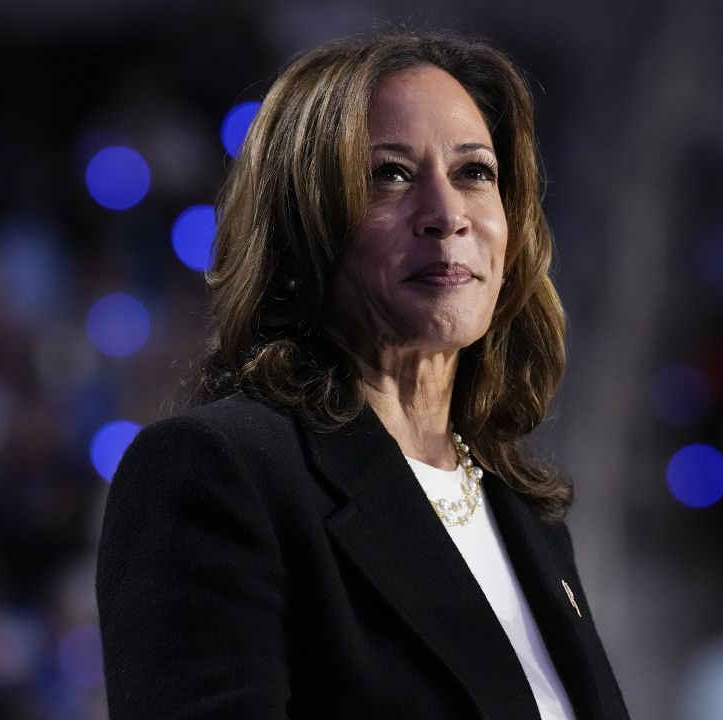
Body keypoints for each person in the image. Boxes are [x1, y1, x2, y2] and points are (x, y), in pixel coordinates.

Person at [96, 32, 629, 719]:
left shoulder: (524, 510)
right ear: (302, 223)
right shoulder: (214, 474)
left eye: (474, 172)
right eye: (391, 175)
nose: (446, 215)